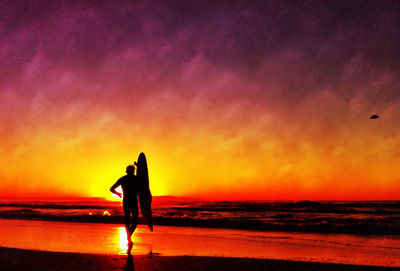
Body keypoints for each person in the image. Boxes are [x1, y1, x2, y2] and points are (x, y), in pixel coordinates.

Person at [110, 165, 139, 244]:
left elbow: (111, 189)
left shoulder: (123, 179)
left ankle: (128, 237)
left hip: (126, 200)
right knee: (135, 221)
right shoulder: (137, 179)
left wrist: (118, 193)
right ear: (134, 171)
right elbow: (144, 189)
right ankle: (129, 237)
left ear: (126, 171)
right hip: (134, 201)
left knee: (128, 220)